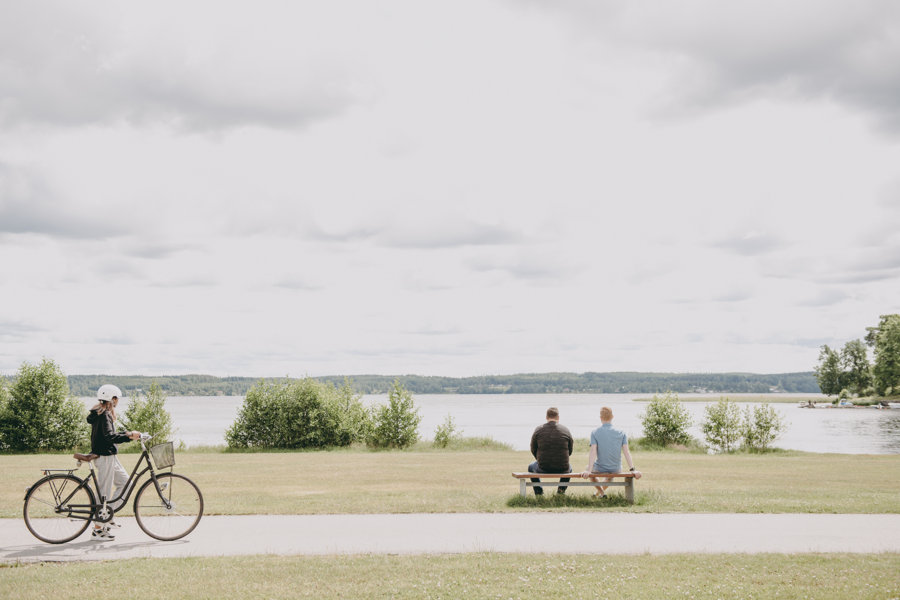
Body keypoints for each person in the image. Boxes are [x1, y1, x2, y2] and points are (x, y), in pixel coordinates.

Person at [87, 384, 140, 540]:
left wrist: (127, 434)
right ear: (112, 398)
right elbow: (110, 437)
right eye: (116, 398)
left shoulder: (103, 413)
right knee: (104, 492)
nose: (117, 401)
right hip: (104, 457)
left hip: (110, 456)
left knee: (126, 483)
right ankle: (98, 529)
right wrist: (129, 435)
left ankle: (107, 515)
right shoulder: (103, 415)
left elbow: (109, 435)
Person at [581, 406, 642, 498]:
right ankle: (599, 494)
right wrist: (632, 469)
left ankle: (601, 492)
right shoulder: (621, 432)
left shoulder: (595, 432)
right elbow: (626, 452)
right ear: (612, 417)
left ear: (600, 418)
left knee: (588, 469)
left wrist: (589, 470)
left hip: (600, 468)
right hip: (616, 468)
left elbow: (593, 451)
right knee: (610, 475)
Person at [528, 406, 574, 495]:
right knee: (569, 468)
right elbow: (570, 450)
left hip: (543, 467)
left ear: (546, 417)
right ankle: (560, 492)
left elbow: (533, 448)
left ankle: (539, 492)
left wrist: (539, 460)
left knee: (531, 467)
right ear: (558, 417)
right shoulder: (566, 430)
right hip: (562, 468)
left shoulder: (538, 430)